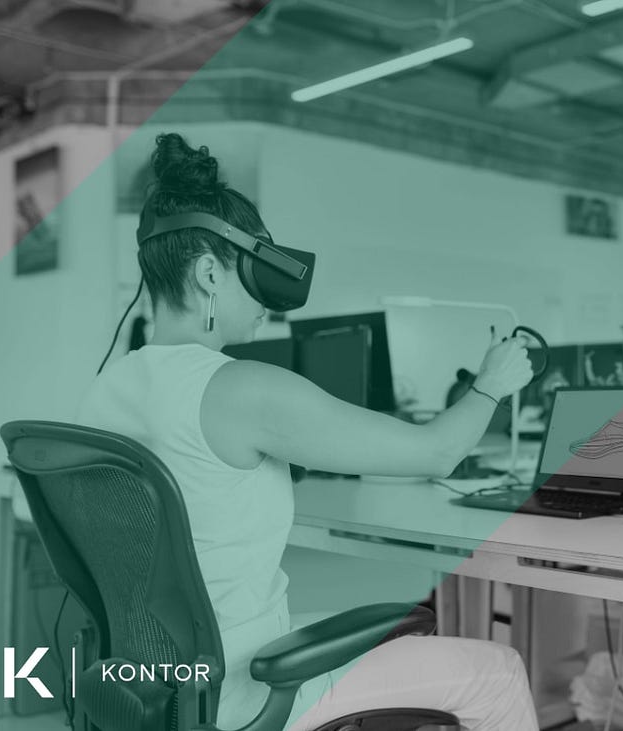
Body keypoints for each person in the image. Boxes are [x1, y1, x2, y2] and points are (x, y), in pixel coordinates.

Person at [77, 133, 540, 731]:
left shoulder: (104, 389)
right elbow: (439, 452)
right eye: (253, 267)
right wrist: (491, 384)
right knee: (497, 670)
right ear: (212, 273)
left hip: (153, 679)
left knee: (345, 616)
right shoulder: (243, 388)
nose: (267, 301)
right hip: (239, 690)